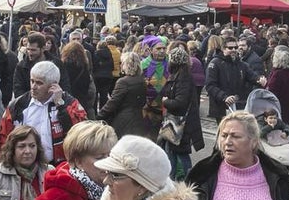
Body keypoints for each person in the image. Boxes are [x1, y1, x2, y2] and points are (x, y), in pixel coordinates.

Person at [0, 60, 87, 164]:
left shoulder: (70, 104)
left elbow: (80, 135)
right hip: (24, 167)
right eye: (32, 81)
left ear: (53, 85)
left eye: (39, 83)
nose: (33, 87)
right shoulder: (18, 105)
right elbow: (3, 138)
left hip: (59, 166)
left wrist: (60, 105)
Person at [203, 37, 264, 121]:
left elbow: (252, 76)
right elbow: (210, 85)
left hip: (239, 104)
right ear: (223, 49)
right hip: (221, 106)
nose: (234, 50)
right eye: (230, 48)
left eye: (235, 47)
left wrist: (259, 79)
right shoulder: (215, 63)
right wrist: (224, 97)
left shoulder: (241, 64)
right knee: (225, 131)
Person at [98, 51, 154, 139]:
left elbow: (113, 102)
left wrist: (99, 116)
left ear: (125, 64)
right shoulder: (142, 80)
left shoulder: (123, 82)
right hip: (139, 118)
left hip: (124, 120)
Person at [159, 45, 195, 180]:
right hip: (174, 122)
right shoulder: (179, 75)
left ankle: (189, 180)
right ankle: (172, 180)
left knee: (181, 153)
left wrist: (165, 101)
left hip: (179, 123)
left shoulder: (183, 77)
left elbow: (180, 102)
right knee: (171, 151)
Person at [265, 48, 289, 139]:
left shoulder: (277, 73)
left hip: (280, 106)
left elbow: (271, 91)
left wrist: (264, 85)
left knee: (282, 129)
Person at [60, 40, 96, 116]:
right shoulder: (84, 67)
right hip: (81, 102)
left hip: (67, 102)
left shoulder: (63, 67)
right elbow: (90, 89)